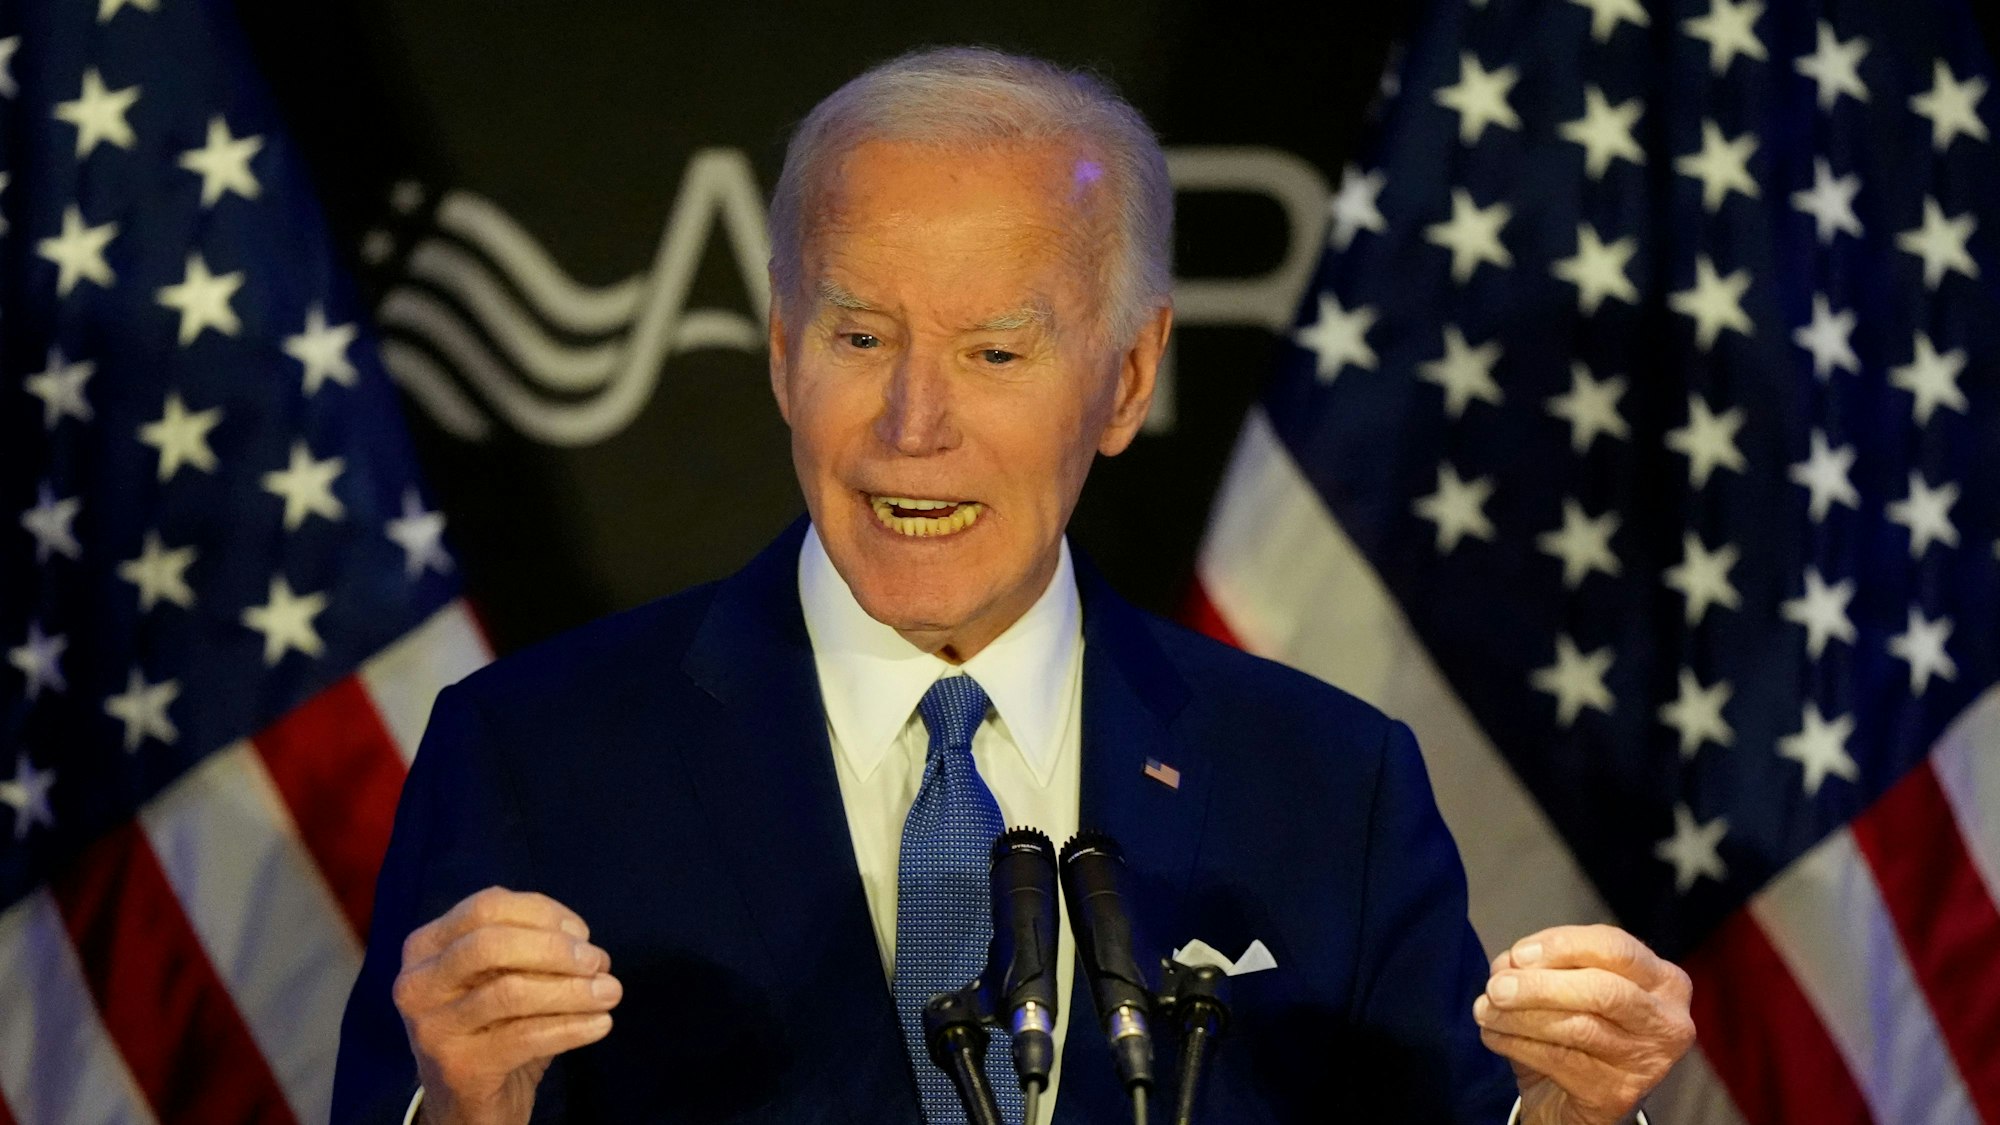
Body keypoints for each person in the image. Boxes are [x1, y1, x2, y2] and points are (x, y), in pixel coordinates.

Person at [333, 46, 1694, 1125]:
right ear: (781, 350)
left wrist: (1571, 1114)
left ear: (1129, 377)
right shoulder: (531, 752)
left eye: (994, 352)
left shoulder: (1328, 785)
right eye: (862, 335)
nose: (913, 425)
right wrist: (466, 1115)